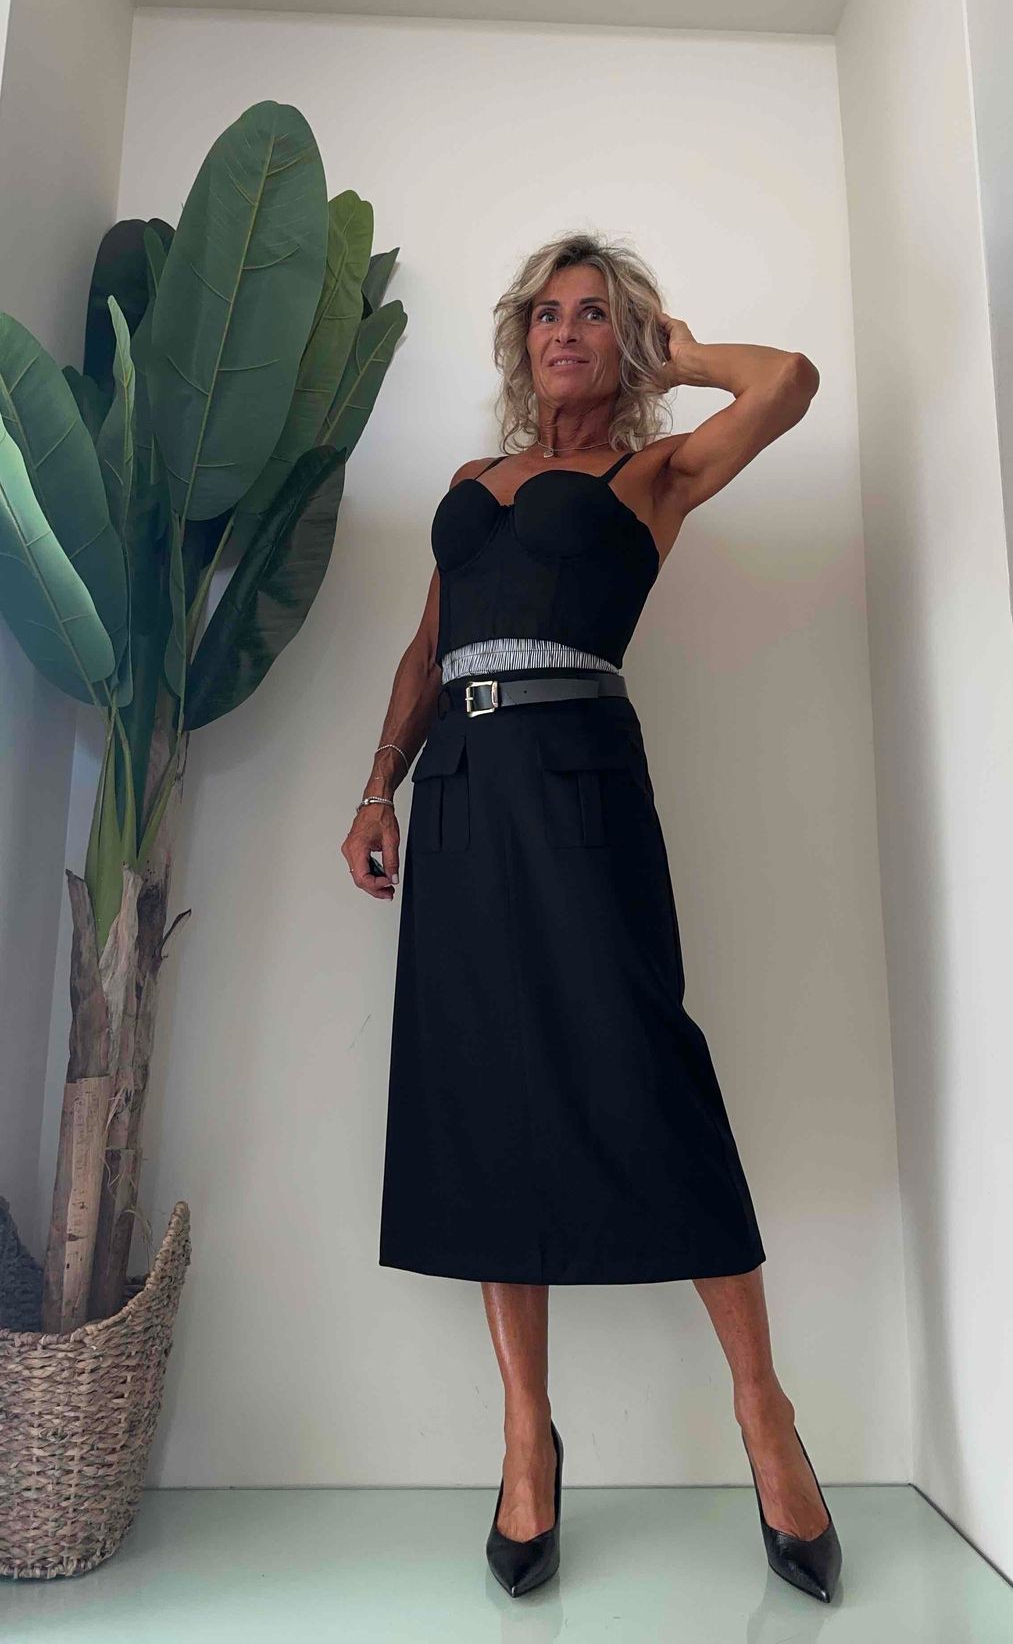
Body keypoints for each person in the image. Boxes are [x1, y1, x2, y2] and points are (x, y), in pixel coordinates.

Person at [341, 230, 843, 1604]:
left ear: (624, 340)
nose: (564, 331)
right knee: (480, 1091)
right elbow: (428, 645)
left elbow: (789, 382)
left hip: (579, 784)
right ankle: (527, 1436)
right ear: (522, 338)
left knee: (645, 1069)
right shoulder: (470, 484)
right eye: (547, 313)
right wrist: (379, 785)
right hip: (459, 792)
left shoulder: (651, 473)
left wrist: (677, 357)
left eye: (593, 314)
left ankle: (763, 1412)